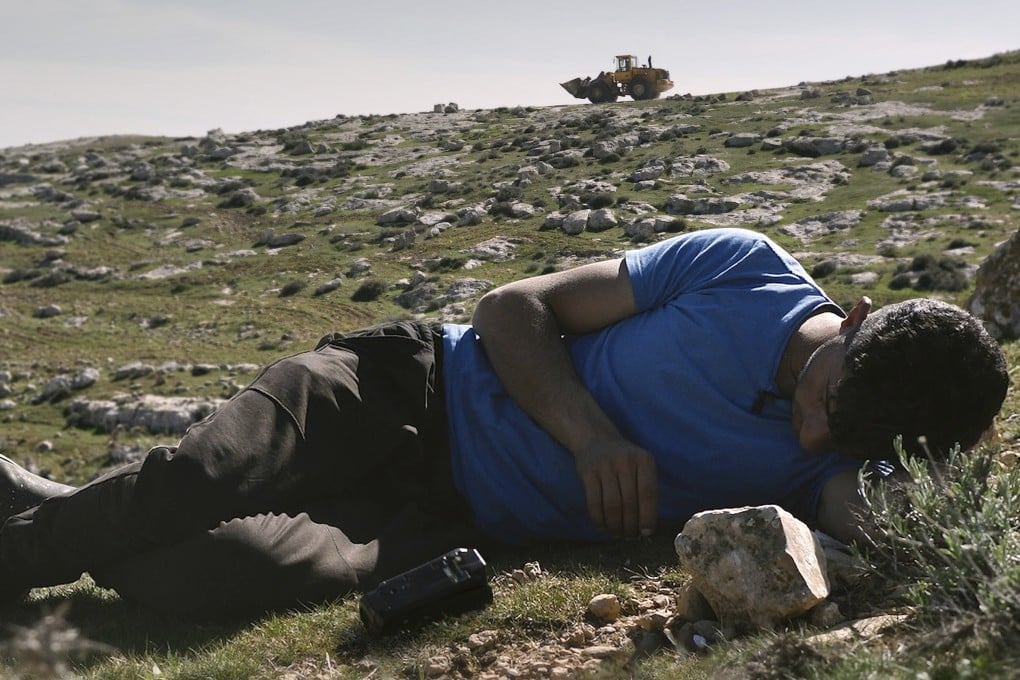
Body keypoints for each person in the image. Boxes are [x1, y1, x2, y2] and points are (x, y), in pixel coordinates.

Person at [0, 227, 1009, 619]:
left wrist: (956, 478)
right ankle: (25, 547)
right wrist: (590, 434)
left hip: (449, 521)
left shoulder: (829, 464)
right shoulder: (742, 267)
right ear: (861, 317)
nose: (816, 438)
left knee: (230, 580)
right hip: (407, 385)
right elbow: (512, 308)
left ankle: (56, 512)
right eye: (831, 402)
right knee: (208, 473)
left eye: (851, 441)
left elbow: (885, 524)